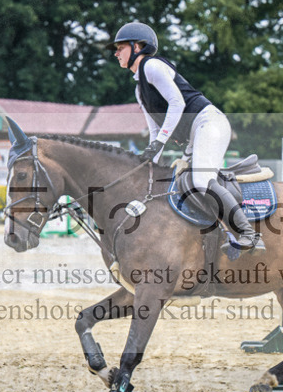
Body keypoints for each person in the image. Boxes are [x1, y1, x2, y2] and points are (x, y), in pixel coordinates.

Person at [109, 21, 264, 254]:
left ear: (137, 47)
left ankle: (248, 234)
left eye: (121, 48)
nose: (116, 53)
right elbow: (155, 131)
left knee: (201, 181)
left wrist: (160, 142)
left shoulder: (152, 66)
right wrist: (149, 163)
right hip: (193, 136)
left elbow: (177, 103)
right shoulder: (139, 89)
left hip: (209, 123)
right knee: (174, 182)